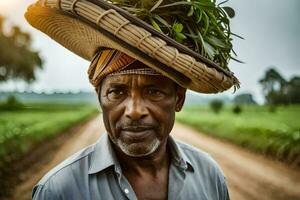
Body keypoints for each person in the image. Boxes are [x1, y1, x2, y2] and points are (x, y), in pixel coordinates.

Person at [25, 0, 238, 199]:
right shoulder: (59, 190)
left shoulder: (210, 177)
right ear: (100, 99)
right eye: (117, 92)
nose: (134, 111)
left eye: (154, 92)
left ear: (179, 99)